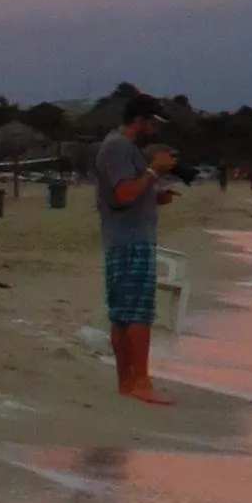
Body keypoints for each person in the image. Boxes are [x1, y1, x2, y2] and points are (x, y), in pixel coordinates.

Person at [95, 98, 178, 403]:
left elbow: (128, 191)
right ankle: (140, 382)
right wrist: (154, 171)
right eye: (153, 122)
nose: (155, 130)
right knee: (137, 312)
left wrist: (155, 197)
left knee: (122, 312)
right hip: (130, 240)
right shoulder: (118, 147)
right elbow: (123, 192)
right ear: (140, 120)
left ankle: (127, 382)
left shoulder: (121, 148)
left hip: (123, 238)